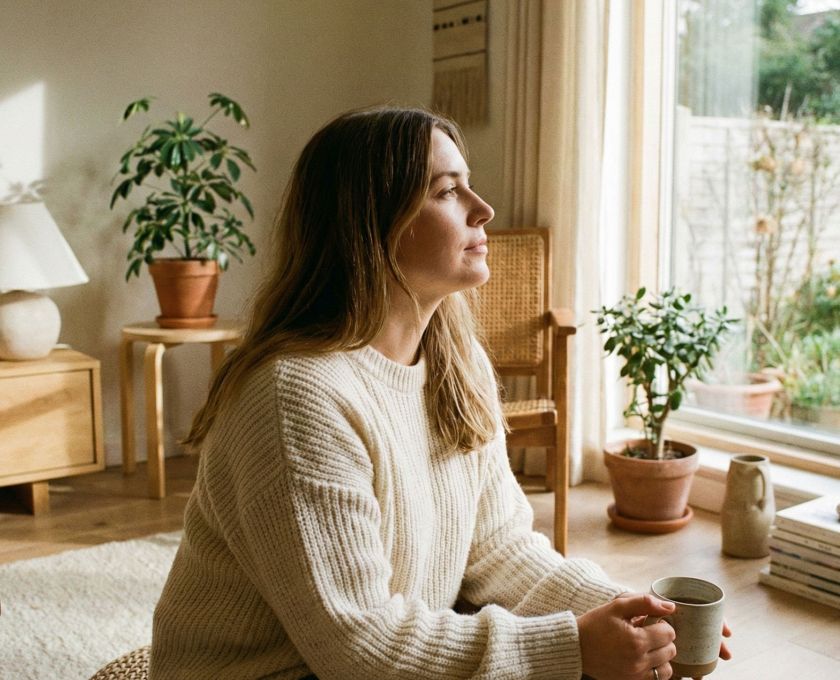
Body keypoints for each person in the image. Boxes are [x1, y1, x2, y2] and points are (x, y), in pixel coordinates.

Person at [150, 106, 729, 680]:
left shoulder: (457, 363)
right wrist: (572, 648)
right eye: (448, 191)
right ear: (372, 224)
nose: (484, 210)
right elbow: (360, 647)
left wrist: (630, 610)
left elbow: (498, 550)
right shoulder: (295, 395)